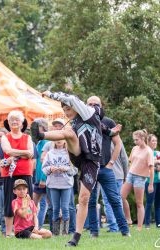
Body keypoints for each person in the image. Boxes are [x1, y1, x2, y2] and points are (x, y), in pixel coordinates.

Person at [31, 90, 119, 247]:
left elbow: (71, 98)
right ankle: (40, 135)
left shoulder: (87, 112)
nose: (66, 112)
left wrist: (49, 93)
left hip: (91, 161)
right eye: (64, 110)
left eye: (68, 109)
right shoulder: (76, 122)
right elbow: (104, 128)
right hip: (78, 154)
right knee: (69, 133)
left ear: (77, 107)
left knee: (84, 198)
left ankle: (76, 237)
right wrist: (111, 131)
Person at [86, 96, 129, 237]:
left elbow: (118, 144)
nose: (92, 106)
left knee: (115, 200)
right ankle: (93, 232)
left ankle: (125, 231)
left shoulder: (108, 122)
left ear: (101, 106)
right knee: (91, 201)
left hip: (105, 168)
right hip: (90, 168)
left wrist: (111, 163)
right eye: (89, 104)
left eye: (95, 104)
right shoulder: (82, 120)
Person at [0, 110, 34, 237]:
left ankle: (27, 230)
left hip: (25, 172)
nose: (14, 122)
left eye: (17, 119)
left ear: (22, 123)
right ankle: (9, 232)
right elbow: (7, 150)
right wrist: (24, 152)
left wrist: (16, 153)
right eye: (11, 120)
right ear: (8, 123)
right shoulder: (5, 137)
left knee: (27, 201)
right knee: (9, 201)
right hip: (10, 173)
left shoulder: (28, 137)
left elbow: (31, 153)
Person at [42, 139, 77, 235]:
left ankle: (65, 232)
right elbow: (44, 168)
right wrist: (50, 169)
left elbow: (75, 170)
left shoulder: (70, 153)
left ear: (65, 140)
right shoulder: (49, 153)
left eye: (61, 138)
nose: (58, 141)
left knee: (66, 207)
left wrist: (65, 169)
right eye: (56, 139)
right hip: (53, 184)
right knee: (55, 208)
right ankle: (55, 232)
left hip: (66, 184)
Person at [121, 129, 154, 231]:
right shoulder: (135, 148)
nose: (135, 142)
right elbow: (130, 162)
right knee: (121, 196)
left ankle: (139, 227)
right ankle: (128, 219)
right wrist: (127, 174)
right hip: (130, 175)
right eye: (134, 140)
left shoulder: (148, 151)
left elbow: (151, 169)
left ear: (143, 138)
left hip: (140, 177)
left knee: (139, 203)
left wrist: (151, 184)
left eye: (137, 140)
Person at [32, 118, 49, 228]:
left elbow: (45, 161)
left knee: (52, 204)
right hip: (37, 178)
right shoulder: (37, 143)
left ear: (43, 128)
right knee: (33, 204)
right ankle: (34, 226)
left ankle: (58, 227)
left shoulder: (46, 141)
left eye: (36, 127)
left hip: (45, 178)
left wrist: (43, 178)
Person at [145, 134, 160, 228]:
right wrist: (156, 163)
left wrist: (156, 165)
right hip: (149, 181)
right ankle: (147, 224)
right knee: (149, 202)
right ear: (148, 142)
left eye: (156, 140)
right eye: (153, 141)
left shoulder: (158, 153)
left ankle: (158, 224)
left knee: (158, 204)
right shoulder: (146, 152)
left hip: (158, 180)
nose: (155, 142)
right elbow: (146, 164)